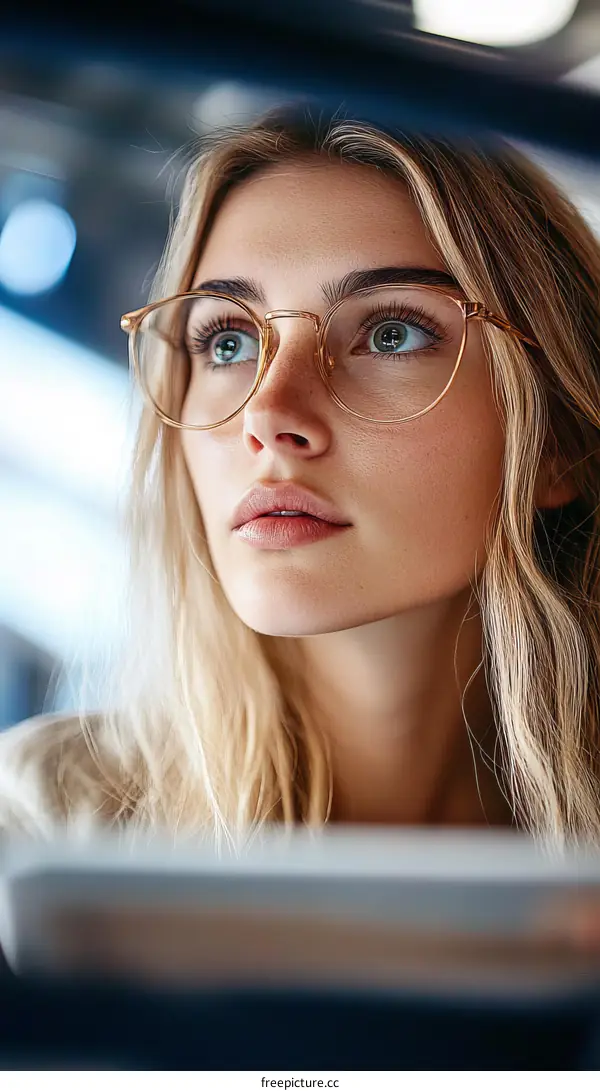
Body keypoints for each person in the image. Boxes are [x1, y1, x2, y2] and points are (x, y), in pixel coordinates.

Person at [2, 105, 600, 848]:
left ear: (561, 443)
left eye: (390, 333)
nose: (269, 412)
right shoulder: (45, 825)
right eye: (227, 342)